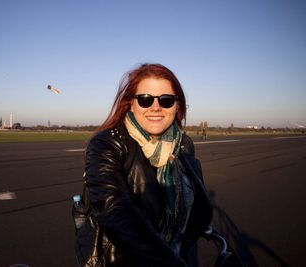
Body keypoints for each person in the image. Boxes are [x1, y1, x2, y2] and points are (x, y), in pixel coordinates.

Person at [74, 63, 213, 267]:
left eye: (166, 100)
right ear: (131, 103)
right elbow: (113, 209)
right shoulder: (107, 143)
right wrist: (169, 262)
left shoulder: (183, 144)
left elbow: (196, 212)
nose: (155, 107)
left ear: (177, 106)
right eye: (145, 99)